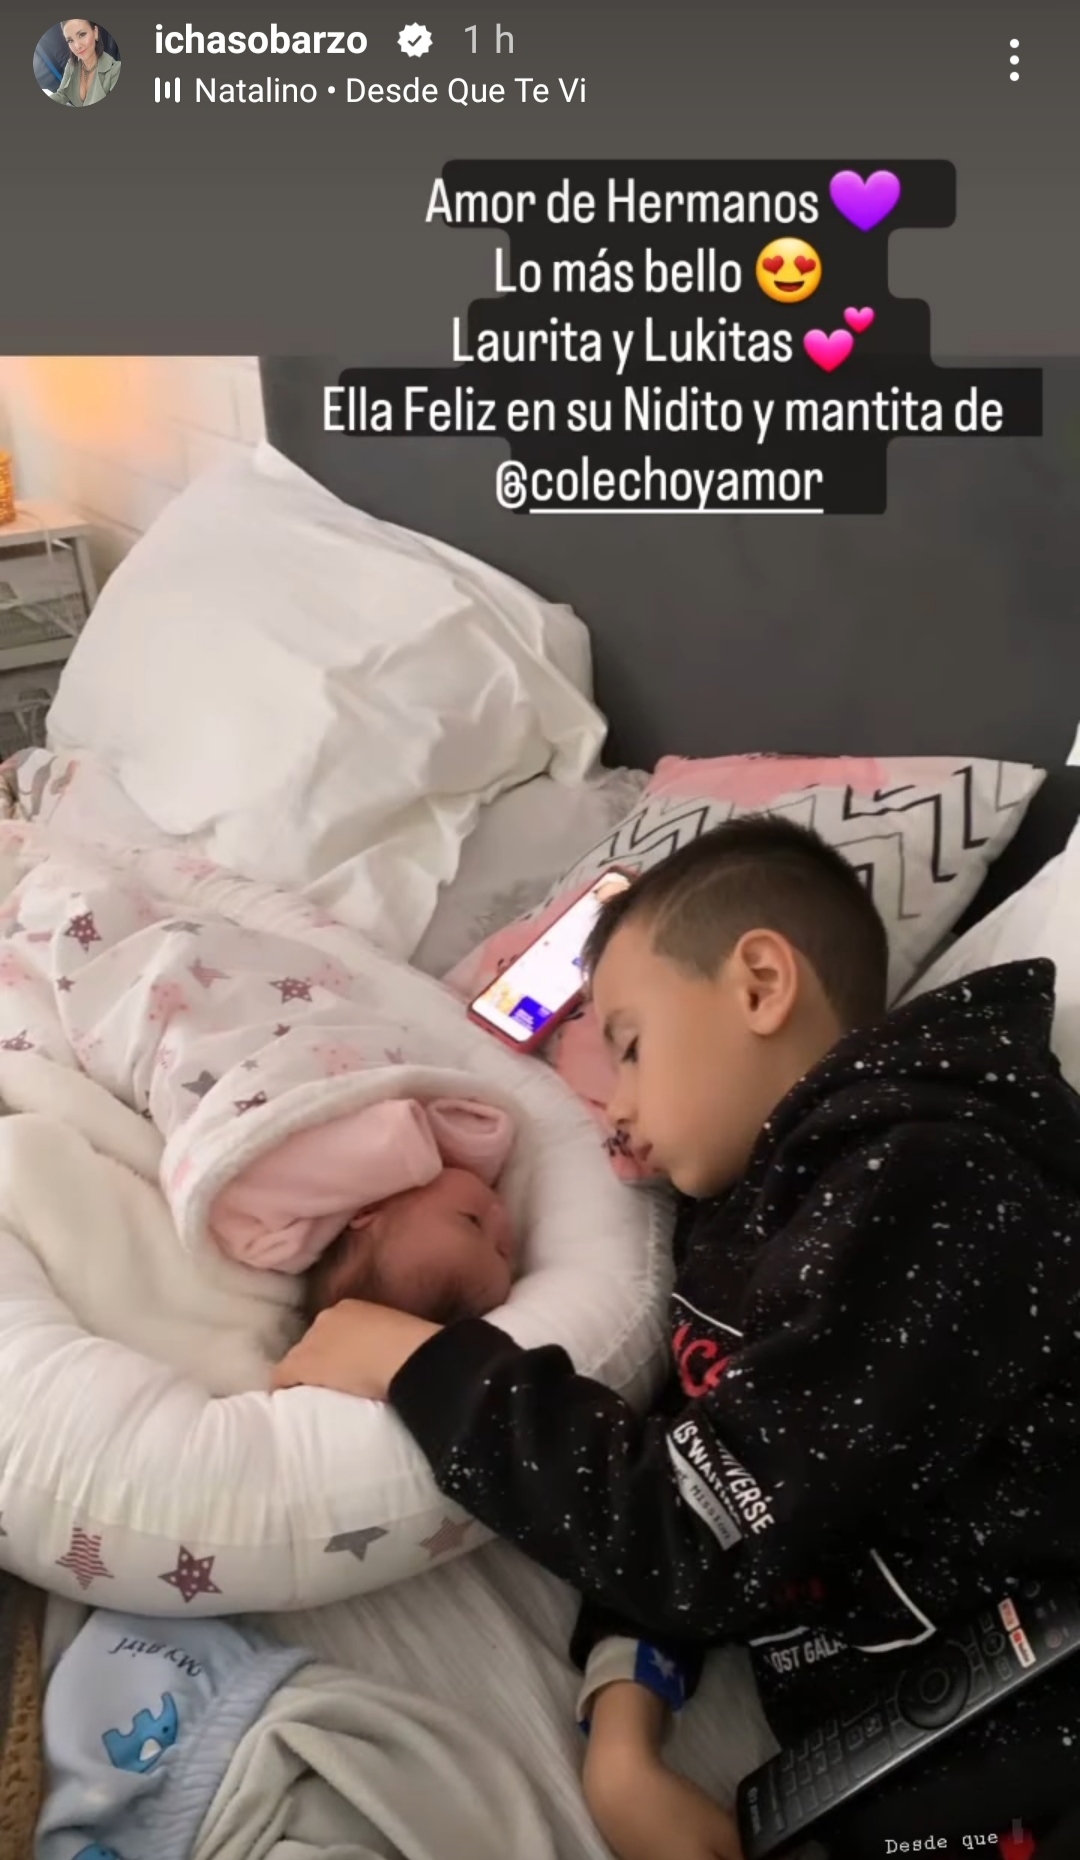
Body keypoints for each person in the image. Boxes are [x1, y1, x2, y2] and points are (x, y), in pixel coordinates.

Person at [272, 818, 1080, 1860]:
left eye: (630, 1045)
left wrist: (419, 1367)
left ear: (759, 985)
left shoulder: (928, 1184)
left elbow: (696, 1529)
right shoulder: (762, 1225)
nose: (615, 1107)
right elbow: (697, 1457)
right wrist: (625, 1728)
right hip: (905, 1757)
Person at [48, 18, 120, 107]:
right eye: (70, 40)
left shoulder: (115, 70)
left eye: (81, 35)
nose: (77, 46)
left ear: (95, 32)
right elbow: (62, 94)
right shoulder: (71, 65)